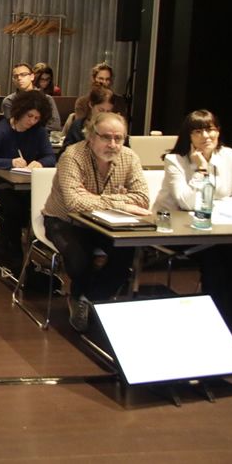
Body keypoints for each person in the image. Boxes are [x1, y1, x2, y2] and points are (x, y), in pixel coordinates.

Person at [42, 111, 149, 331]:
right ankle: (84, 299)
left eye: (118, 138)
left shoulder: (130, 157)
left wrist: (94, 199)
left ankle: (89, 298)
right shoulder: (72, 156)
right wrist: (121, 202)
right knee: (80, 258)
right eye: (106, 137)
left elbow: (142, 199)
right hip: (64, 221)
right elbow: (74, 203)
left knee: (127, 251)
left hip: (107, 223)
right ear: (91, 136)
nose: (113, 144)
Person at [154, 110, 232, 340]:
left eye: (211, 129)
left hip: (218, 229)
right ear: (188, 136)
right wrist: (201, 169)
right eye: (198, 131)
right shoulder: (175, 160)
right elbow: (186, 202)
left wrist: (215, 207)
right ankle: (220, 329)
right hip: (176, 228)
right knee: (214, 264)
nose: (206, 136)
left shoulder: (231, 156)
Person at [0, 90, 57, 266]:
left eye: (36, 118)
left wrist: (40, 163)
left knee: (37, 202)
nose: (32, 121)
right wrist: (10, 162)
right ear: (20, 111)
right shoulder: (2, 130)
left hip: (22, 182)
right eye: (29, 116)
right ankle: (11, 249)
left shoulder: (39, 132)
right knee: (15, 205)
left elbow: (50, 156)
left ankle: (15, 245)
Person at [1, 63, 62, 132]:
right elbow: (14, 126)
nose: (19, 78)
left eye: (23, 74)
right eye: (15, 76)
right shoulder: (9, 100)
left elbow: (55, 126)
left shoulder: (47, 99)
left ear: (32, 77)